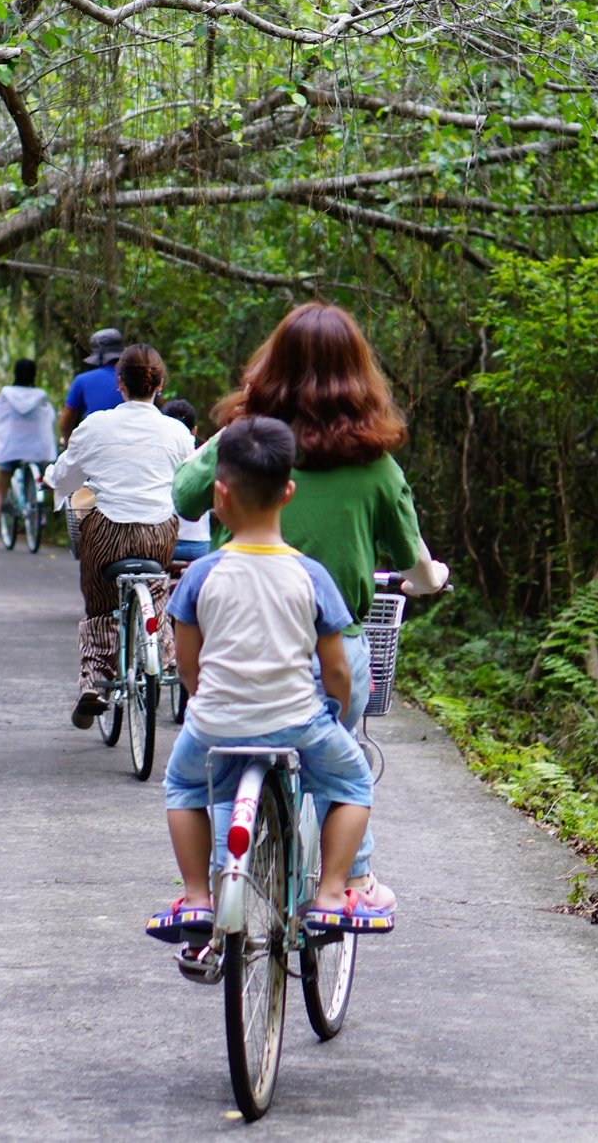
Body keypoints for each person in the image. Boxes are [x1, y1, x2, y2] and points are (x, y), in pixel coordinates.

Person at [171, 302, 448, 895]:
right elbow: (410, 560)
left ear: (271, 365)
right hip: (328, 654)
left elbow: (185, 498)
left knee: (217, 767)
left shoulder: (242, 444)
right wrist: (431, 578)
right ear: (358, 375)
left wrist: (227, 437)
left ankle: (220, 886)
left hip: (232, 645)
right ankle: (351, 882)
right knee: (342, 754)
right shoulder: (376, 464)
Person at [146, 417, 395, 947]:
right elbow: (335, 671)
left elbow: (190, 667)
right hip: (296, 723)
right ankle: (330, 895)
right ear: (288, 492)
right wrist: (335, 706)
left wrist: (206, 703)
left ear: (219, 494)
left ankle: (196, 898)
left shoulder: (199, 576)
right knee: (352, 782)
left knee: (184, 786)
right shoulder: (311, 576)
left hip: (215, 724)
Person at [49, 343, 194, 728]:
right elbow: (191, 480)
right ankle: (162, 650)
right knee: (157, 589)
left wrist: (53, 479)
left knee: (99, 605)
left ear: (120, 384)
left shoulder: (96, 426)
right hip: (158, 534)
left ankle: (96, 678)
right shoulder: (177, 432)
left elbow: (65, 477)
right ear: (160, 384)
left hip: (107, 533)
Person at [0, 359, 57, 547]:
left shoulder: (7, 393)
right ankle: (39, 511)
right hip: (36, 449)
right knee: (42, 478)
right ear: (34, 375)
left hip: (11, 448)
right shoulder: (40, 395)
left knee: (0, 488)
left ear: (16, 373)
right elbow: (49, 416)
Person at [161, 399, 212, 563]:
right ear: (195, 430)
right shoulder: (205, 454)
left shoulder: (154, 456)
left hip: (159, 542)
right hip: (197, 544)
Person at [58, 326, 126, 444]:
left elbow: (65, 424)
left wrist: (71, 446)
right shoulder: (140, 378)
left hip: (96, 446)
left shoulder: (82, 380)